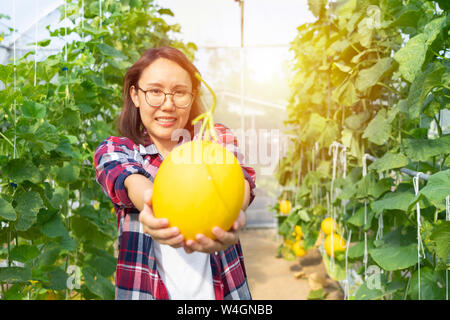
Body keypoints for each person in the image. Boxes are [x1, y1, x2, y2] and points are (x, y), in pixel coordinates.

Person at [94, 46, 256, 300]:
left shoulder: (214, 138)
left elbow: (241, 179)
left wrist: (236, 210)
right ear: (135, 95)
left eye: (179, 92)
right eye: (155, 91)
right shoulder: (117, 148)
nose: (167, 105)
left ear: (192, 96)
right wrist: (153, 203)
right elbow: (127, 180)